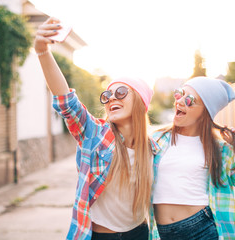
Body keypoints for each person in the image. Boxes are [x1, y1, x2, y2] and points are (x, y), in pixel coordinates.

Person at [34, 17, 159, 240]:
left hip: (140, 234)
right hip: (101, 236)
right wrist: (42, 51)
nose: (111, 98)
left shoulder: (154, 149)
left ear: (140, 102)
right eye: (107, 95)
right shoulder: (95, 134)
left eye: (121, 92)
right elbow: (66, 101)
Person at [151, 77, 235, 240]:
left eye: (189, 100)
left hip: (203, 230)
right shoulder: (157, 139)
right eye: (180, 94)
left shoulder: (220, 150)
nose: (179, 102)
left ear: (205, 111)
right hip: (161, 233)